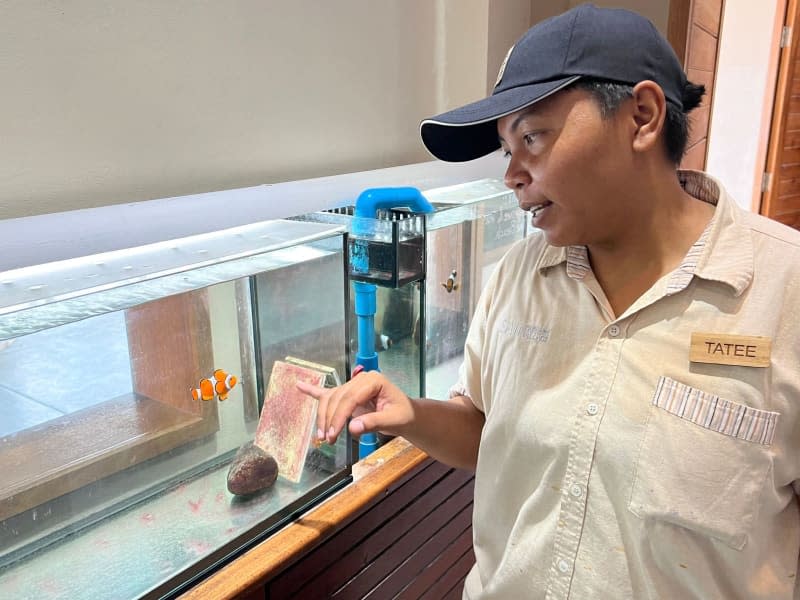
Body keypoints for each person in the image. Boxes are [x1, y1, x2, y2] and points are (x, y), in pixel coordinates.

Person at [298, 4, 800, 598]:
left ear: (641, 115)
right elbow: (486, 429)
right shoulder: (518, 275)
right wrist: (413, 413)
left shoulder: (783, 290)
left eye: (532, 136)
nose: (512, 173)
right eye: (507, 149)